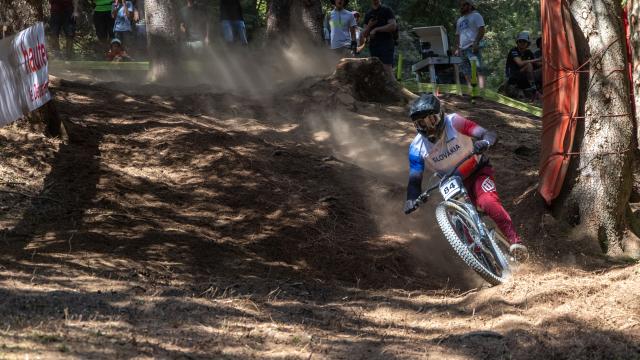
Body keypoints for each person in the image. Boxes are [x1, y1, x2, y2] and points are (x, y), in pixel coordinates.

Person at [403, 94, 528, 258]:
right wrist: (411, 198)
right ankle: (479, 259)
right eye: (421, 123)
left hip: (477, 172)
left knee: (488, 202)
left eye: (431, 120)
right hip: (451, 184)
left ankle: (515, 242)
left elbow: (487, 133)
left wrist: (485, 142)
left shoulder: (454, 122)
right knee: (458, 223)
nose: (429, 127)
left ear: (441, 115)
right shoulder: (416, 148)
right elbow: (414, 179)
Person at [360, 0, 397, 78]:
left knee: (387, 71)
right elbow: (364, 34)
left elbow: (393, 26)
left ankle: (394, 89)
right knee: (377, 72)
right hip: (373, 46)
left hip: (386, 44)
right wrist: (369, 26)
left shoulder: (387, 10)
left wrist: (376, 29)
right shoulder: (368, 14)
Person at [454, 0, 485, 87]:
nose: (461, 7)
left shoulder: (476, 16)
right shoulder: (460, 20)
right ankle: (472, 92)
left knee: (478, 70)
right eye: (460, 5)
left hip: (472, 48)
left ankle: (482, 93)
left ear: (470, 5)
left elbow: (481, 30)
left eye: (464, 5)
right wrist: (457, 48)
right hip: (462, 49)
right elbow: (457, 35)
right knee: (466, 72)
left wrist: (476, 42)